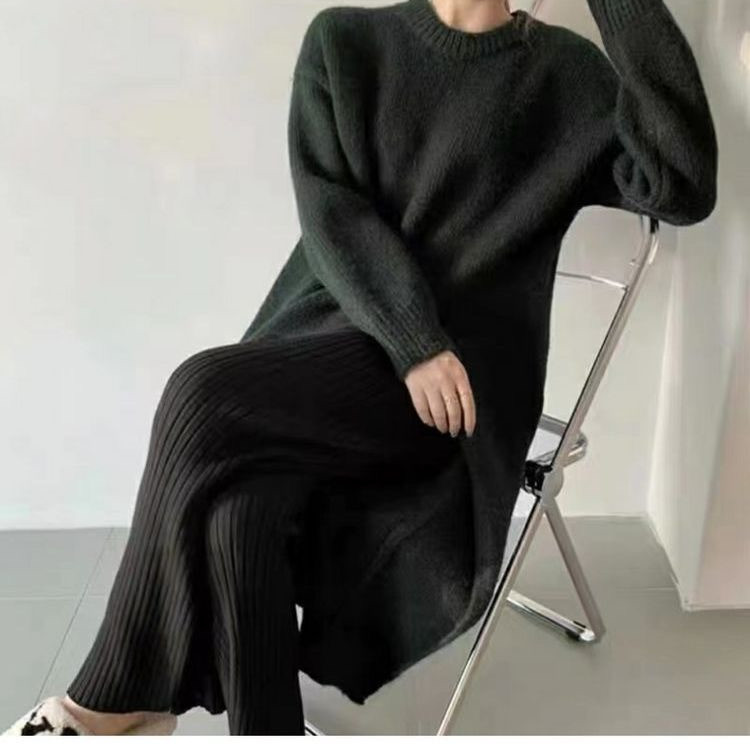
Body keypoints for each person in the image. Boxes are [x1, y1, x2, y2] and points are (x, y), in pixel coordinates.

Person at [3, 0, 717, 737]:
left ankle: (108, 705)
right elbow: (331, 213)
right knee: (237, 509)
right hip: (341, 349)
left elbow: (682, 185)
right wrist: (413, 340)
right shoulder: (345, 43)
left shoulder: (567, 76)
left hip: (455, 397)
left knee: (197, 392)